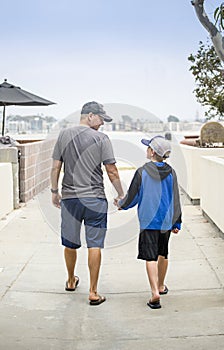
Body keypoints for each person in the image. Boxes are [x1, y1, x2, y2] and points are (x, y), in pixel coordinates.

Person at [51, 101, 124, 306]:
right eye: (101, 119)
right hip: (95, 199)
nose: (102, 124)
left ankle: (71, 280)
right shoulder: (101, 139)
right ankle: (93, 292)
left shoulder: (64, 135)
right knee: (95, 244)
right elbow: (112, 171)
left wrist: (55, 191)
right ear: (90, 115)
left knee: (70, 242)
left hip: (70, 199)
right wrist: (121, 194)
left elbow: (56, 167)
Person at [115, 135, 182, 309]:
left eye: (147, 147)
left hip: (148, 220)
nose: (146, 150)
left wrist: (122, 204)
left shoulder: (142, 171)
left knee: (150, 257)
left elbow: (133, 196)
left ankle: (154, 293)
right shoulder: (172, 172)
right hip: (166, 221)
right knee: (163, 253)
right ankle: (161, 285)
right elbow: (175, 198)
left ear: (152, 152)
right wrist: (177, 222)